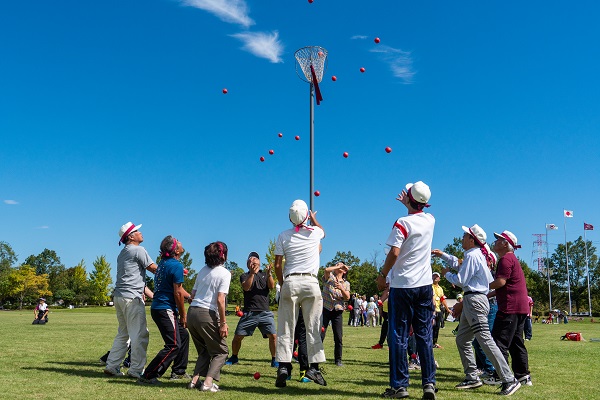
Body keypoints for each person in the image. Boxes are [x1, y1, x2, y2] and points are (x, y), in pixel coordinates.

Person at [434, 224, 520, 396]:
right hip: (472, 300)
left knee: (485, 340)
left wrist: (445, 274)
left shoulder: (473, 256)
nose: (462, 238)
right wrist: (443, 255)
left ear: (472, 239)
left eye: (465, 236)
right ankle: (472, 377)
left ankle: (509, 378)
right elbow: (461, 266)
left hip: (474, 299)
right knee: (462, 340)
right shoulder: (475, 255)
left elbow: (461, 279)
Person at [375, 181, 437, 400]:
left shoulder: (402, 222)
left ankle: (399, 386)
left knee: (398, 336)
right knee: (424, 336)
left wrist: (382, 276)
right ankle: (429, 384)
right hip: (424, 286)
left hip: (402, 286)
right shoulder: (430, 219)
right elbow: (418, 215)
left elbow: (394, 252)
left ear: (409, 199)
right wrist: (411, 204)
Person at [274, 199, 327, 387]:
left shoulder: (282, 235)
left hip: (290, 281)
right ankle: (314, 368)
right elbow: (324, 232)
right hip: (311, 282)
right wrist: (314, 220)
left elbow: (278, 264)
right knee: (312, 327)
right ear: (307, 216)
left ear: (290, 217)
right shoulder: (315, 233)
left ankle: (283, 366)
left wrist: (283, 283)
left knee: (286, 327)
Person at [104, 222, 157, 378]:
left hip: (120, 296)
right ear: (131, 236)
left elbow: (136, 279)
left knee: (124, 333)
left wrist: (153, 295)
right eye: (137, 231)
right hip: (132, 298)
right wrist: (175, 271)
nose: (141, 233)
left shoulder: (123, 253)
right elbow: (154, 269)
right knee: (139, 335)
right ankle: (136, 370)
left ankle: (112, 366)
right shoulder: (138, 250)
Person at [138, 236, 190, 384]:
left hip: (160, 307)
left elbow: (178, 290)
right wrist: (183, 315)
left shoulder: (164, 264)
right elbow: (177, 293)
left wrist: (189, 297)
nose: (179, 241)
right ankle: (148, 375)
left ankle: (178, 371)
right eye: (177, 241)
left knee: (184, 336)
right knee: (173, 345)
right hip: (165, 308)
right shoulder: (176, 266)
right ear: (175, 250)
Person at [488, 230, 532, 387]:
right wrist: (487, 294)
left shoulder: (505, 259)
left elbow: (500, 282)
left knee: (499, 341)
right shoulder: (512, 258)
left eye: (498, 239)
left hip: (509, 307)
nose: (495, 242)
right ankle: (523, 375)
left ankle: (501, 376)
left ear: (505, 244)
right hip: (520, 307)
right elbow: (505, 285)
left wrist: (481, 287)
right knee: (516, 341)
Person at [187, 241, 232, 392]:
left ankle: (194, 381)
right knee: (221, 351)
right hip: (207, 313)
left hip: (192, 313)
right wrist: (223, 323)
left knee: (204, 350)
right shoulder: (225, 273)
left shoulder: (202, 271)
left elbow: (192, 295)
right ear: (223, 255)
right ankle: (207, 383)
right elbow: (220, 299)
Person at [226, 251, 278, 367]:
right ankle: (234, 357)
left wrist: (269, 273)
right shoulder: (244, 276)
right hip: (249, 312)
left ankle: (274, 359)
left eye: (255, 259)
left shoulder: (265, 275)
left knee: (273, 336)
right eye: (250, 259)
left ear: (259, 262)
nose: (252, 260)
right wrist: (252, 274)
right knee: (238, 336)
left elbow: (271, 286)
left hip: (265, 312)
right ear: (247, 264)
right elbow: (246, 287)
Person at [320, 262, 350, 366]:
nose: (339, 266)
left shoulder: (346, 283)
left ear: (344, 271)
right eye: (337, 265)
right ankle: (317, 357)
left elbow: (347, 297)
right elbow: (327, 269)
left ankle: (338, 360)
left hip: (337, 311)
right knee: (321, 334)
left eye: (341, 265)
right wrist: (338, 266)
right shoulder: (329, 278)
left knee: (338, 337)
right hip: (325, 309)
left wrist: (341, 288)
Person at [432, 272, 450, 348]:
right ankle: (428, 342)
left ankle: (435, 342)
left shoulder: (440, 289)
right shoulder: (429, 286)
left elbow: (442, 299)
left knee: (437, 327)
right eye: (434, 276)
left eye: (437, 276)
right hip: (431, 310)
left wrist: (447, 309)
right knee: (431, 326)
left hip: (438, 310)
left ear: (439, 278)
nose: (435, 277)